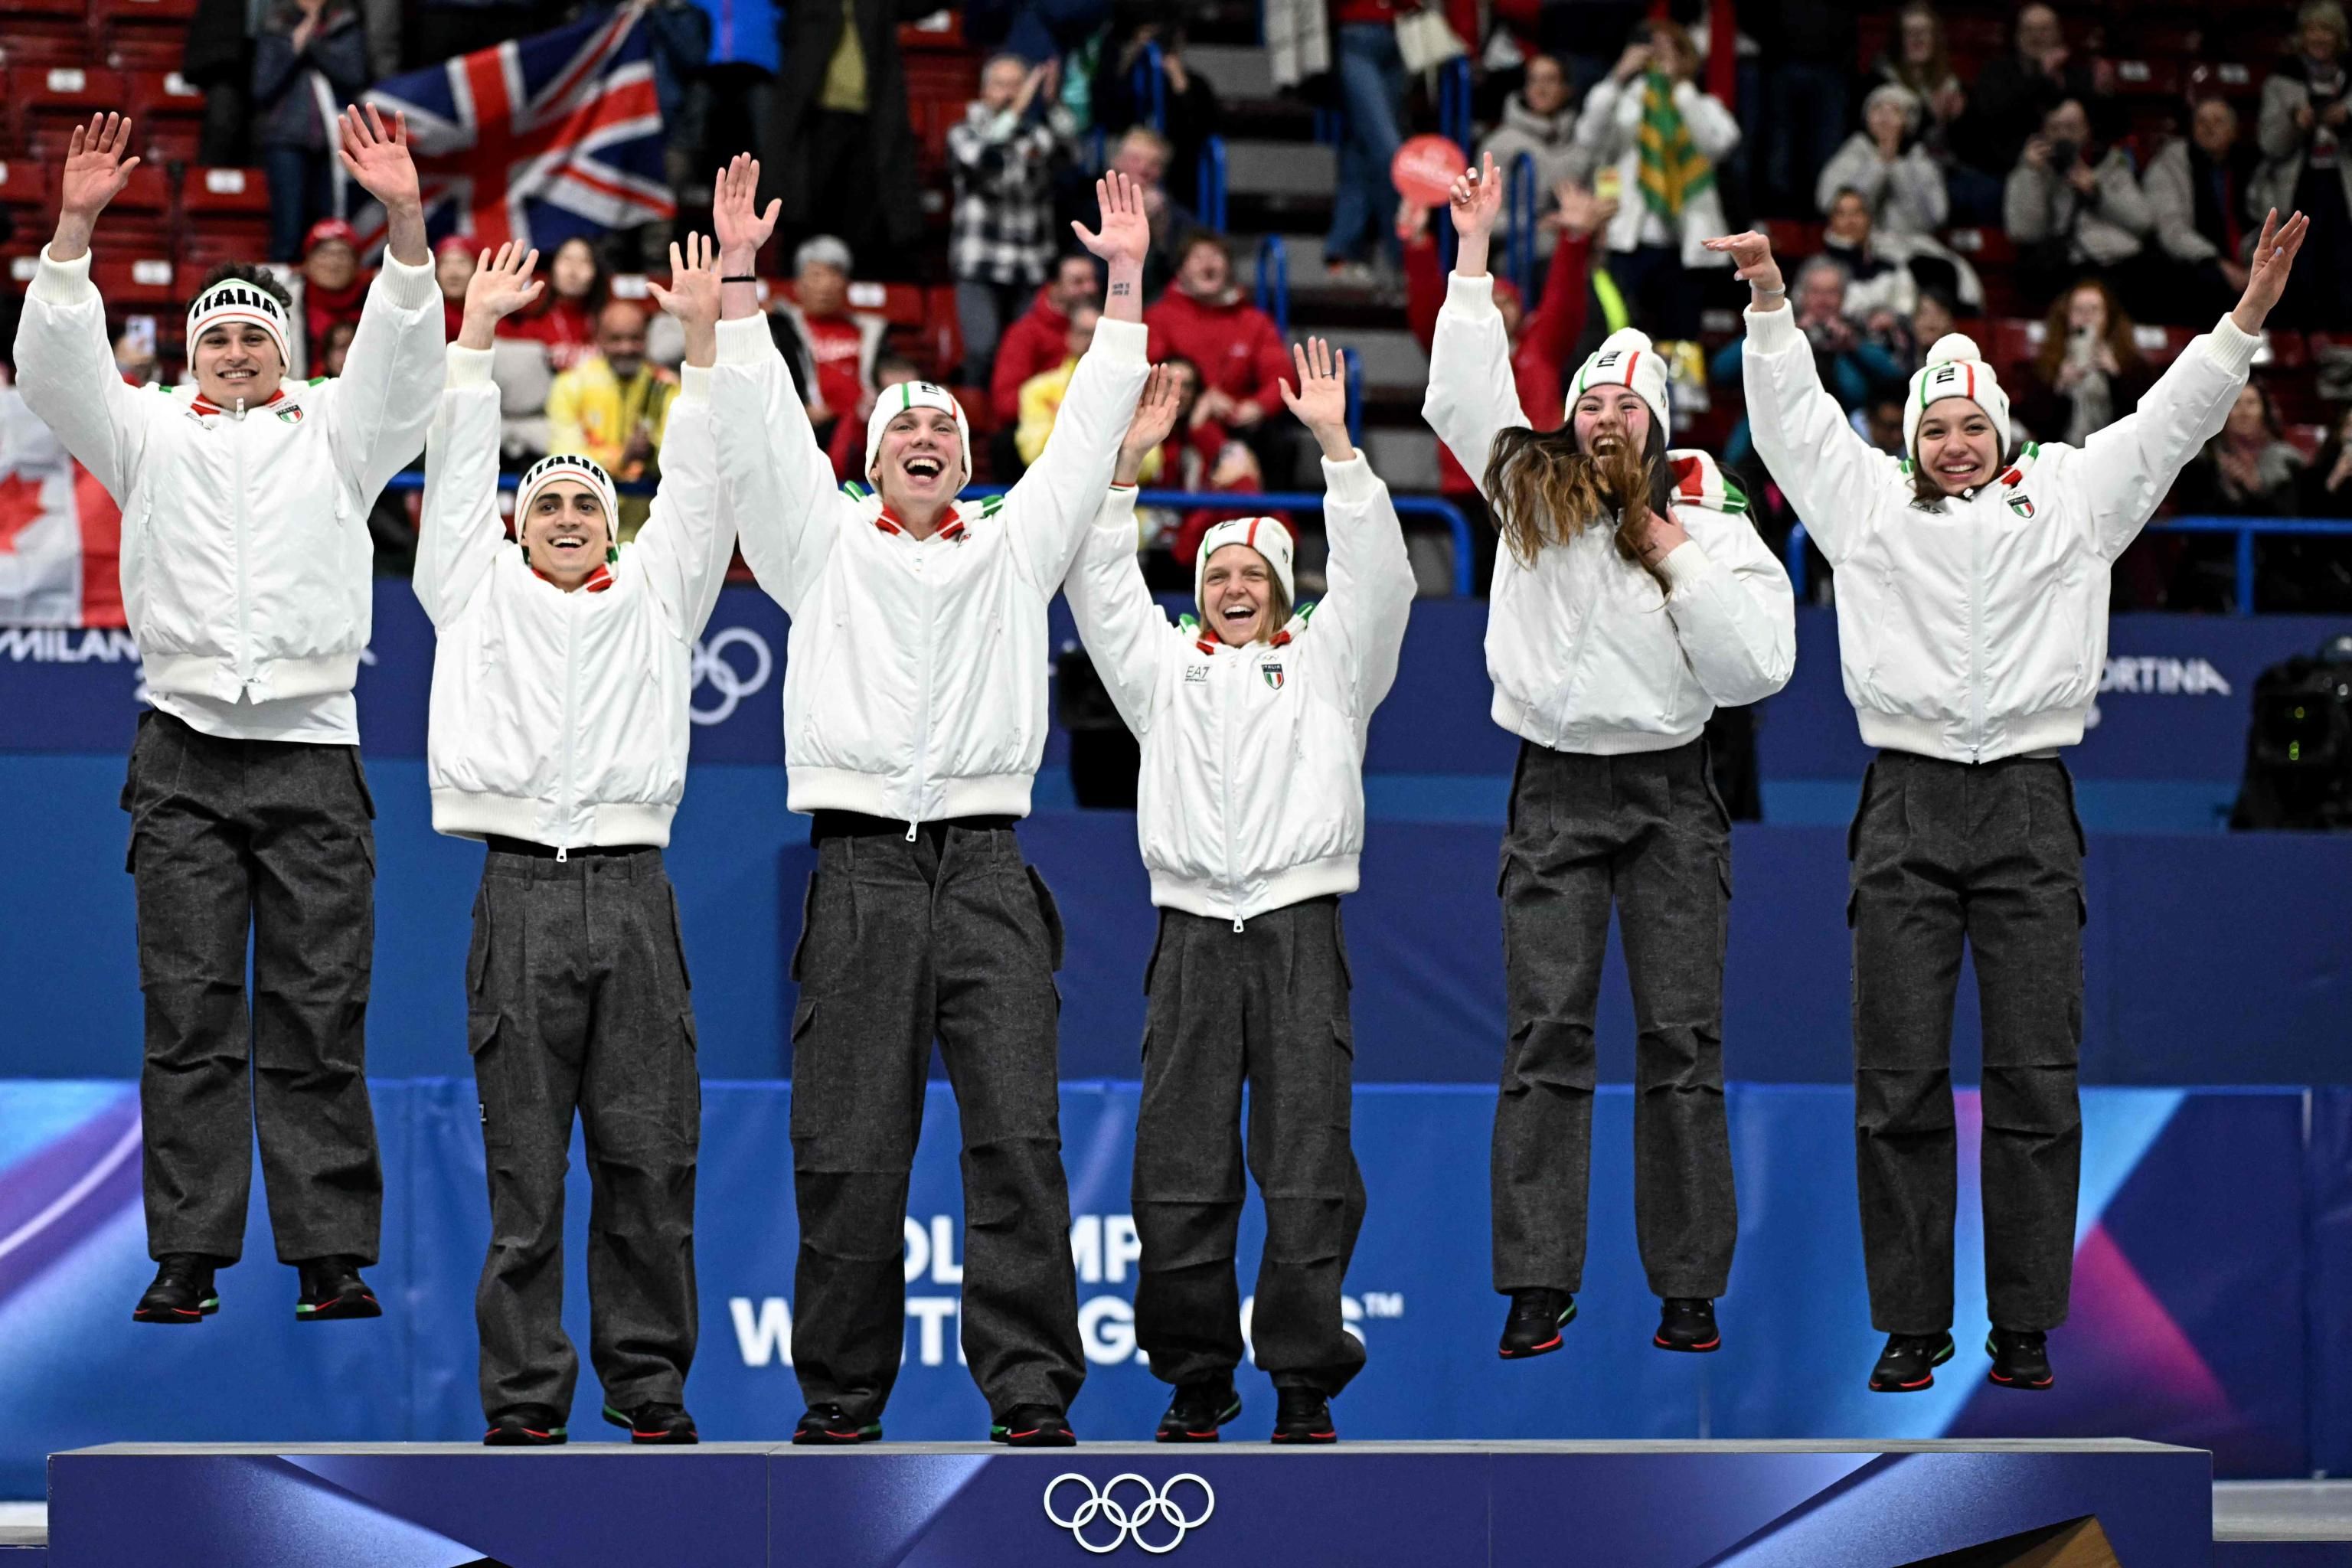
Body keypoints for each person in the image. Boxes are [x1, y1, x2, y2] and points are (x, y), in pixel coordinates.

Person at [1708, 206, 2306, 1394]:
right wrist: (1773, 307)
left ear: (2003, 426)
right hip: (1906, 805)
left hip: (2031, 799)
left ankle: (2024, 1323)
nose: (1955, 444)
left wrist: (2241, 325)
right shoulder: (1867, 505)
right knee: (1898, 1079)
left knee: (2037, 1075)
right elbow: (1790, 428)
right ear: (1914, 438)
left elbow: (2169, 425)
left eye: (1971, 424)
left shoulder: (2076, 495)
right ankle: (1913, 1322)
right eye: (1936, 428)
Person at [707, 155, 1151, 1448]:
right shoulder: (816, 543)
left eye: (945, 432)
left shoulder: (1018, 544)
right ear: (867, 453)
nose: (923, 442)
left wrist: (1123, 284)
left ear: (966, 459)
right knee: (848, 1151)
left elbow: (1082, 433)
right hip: (859, 873)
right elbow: (757, 424)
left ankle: (1029, 1397)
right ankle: (841, 1402)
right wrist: (740, 277)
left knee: (1018, 1143)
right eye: (903, 428)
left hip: (989, 871)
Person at [14, 107, 443, 1325]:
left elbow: (405, 362)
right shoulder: (143, 431)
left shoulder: (338, 433)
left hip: (311, 751)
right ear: (190, 357)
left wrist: (405, 225)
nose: (239, 352)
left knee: (318, 1014)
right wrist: (78, 226)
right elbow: (53, 367)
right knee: (190, 1012)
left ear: (288, 350)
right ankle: (188, 1255)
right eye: (220, 338)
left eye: (257, 334)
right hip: (185, 749)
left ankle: (328, 1259)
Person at [1425, 153, 1795, 1365]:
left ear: (1662, 425)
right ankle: (1537, 1284)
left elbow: (1757, 672)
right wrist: (1474, 258)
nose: (1604, 420)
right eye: (1591, 403)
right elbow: (1457, 392)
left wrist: (1667, 547)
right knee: (1546, 1034)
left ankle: (1688, 1287)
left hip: (1674, 795)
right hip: (1553, 785)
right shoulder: (1527, 486)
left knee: (1683, 1040)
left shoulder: (1713, 514)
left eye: (1627, 408)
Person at [419, 234, 741, 1449]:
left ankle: (649, 1393)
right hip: (518, 895)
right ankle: (523, 1407)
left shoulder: (661, 592)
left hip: (635, 892)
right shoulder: (472, 586)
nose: (563, 516)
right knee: (525, 1180)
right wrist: (475, 343)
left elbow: (703, 492)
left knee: (651, 1166)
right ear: (517, 524)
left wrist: (702, 351)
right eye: (545, 501)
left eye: (584, 504)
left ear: (615, 527)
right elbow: (453, 485)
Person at [1060, 344, 1413, 1446]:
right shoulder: (1162, 670)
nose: (1235, 589)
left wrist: (1340, 451)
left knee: (1308, 1164)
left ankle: (1303, 1381)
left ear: (1284, 585)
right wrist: (1126, 472)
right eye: (1217, 575)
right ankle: (1196, 1378)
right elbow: (1101, 587)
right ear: (1200, 588)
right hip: (1192, 934)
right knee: (1178, 1171)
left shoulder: (1331, 663)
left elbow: (1383, 579)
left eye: (1253, 574)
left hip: (1301, 926)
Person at [1572, 19, 1740, 339]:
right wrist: (1618, 76)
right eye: (1652, 49)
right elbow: (1588, 137)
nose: (1659, 57)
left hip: (1683, 245)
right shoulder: (1625, 104)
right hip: (1628, 240)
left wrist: (1680, 89)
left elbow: (1716, 146)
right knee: (1619, 335)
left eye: (1669, 49)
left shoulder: (1702, 104)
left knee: (1680, 342)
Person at [949, 54, 1073, 391]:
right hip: (980, 261)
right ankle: (969, 427)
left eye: (1018, 85)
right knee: (982, 350)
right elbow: (983, 160)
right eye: (1001, 85)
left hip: (1030, 264)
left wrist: (1051, 102)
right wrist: (1017, 110)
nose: (1010, 93)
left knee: (1027, 358)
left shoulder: (1037, 135)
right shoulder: (963, 133)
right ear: (984, 90)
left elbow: (1069, 149)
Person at [1145, 233, 1305, 488]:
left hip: (1238, 421)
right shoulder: (1159, 317)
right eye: (1198, 258)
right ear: (1180, 270)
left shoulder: (1253, 321)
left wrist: (1259, 406)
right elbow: (1152, 367)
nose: (1208, 265)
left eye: (1216, 257)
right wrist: (1202, 398)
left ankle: (1268, 521)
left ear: (1229, 267)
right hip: (1177, 421)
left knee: (1279, 443)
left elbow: (1280, 373)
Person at [2005, 97, 2156, 315]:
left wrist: (2098, 192)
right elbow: (2023, 232)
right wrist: (2031, 174)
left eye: (2071, 128)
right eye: (2054, 128)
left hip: (2113, 263)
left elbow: (2143, 222)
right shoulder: (2033, 169)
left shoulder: (2110, 163)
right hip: (2060, 267)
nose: (2063, 135)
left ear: (2087, 130)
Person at [546, 299, 681, 536]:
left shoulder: (666, 387)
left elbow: (681, 459)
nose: (626, 348)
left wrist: (651, 454)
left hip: (650, 531)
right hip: (585, 531)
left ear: (646, 338)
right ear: (598, 338)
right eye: (616, 339)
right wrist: (622, 458)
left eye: (635, 338)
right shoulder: (570, 385)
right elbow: (564, 458)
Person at [2255, 2, 2352, 328]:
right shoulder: (2281, 82)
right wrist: (2294, 124)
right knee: (2301, 275)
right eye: (2313, 30)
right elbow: (2269, 145)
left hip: (2344, 193)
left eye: (2327, 30)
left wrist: (2348, 120)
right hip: (2297, 191)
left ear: (2339, 37)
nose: (2319, 38)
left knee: (2343, 273)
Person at [250, 0, 371, 261]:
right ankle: (285, 295)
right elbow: (261, 88)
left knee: (332, 229)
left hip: (335, 141)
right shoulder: (275, 25)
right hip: (286, 138)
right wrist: (293, 51)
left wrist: (311, 46)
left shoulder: (344, 22)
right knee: (288, 230)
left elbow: (354, 75)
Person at [768, 235, 887, 460]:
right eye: (816, 275)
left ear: (846, 284)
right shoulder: (781, 330)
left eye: (834, 274)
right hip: (812, 429)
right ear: (798, 285)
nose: (826, 285)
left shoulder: (871, 330)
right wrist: (799, 408)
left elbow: (893, 374)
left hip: (868, 425)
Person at [1961, 2, 2109, 178]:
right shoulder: (1997, 71)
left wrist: (2105, 93)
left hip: (2073, 169)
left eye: (2044, 30)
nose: (2036, 37)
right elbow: (1993, 115)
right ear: (2017, 36)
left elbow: (2100, 124)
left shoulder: (2075, 72)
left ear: (2058, 35)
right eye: (2028, 30)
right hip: (2009, 170)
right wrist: (2042, 78)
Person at [2011, 279, 2154, 448]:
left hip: (2115, 452)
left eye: (2094, 309)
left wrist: (2117, 376)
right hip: (2063, 455)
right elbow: (2035, 423)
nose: (2086, 316)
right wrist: (2060, 385)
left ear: (2108, 317)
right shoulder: (2048, 362)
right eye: (2078, 310)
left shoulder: (2131, 363)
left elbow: (2142, 418)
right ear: (2067, 317)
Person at [1323, 0, 1408, 280]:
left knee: (1362, 148)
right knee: (1389, 152)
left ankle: (1342, 249)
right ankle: (1402, 257)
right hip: (1353, 32)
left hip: (1402, 32)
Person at [1477, 54, 1591, 259]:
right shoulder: (1499, 144)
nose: (1541, 89)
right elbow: (1480, 218)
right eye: (1534, 80)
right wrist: (1535, 223)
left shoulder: (1580, 142)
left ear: (1567, 89)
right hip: (1516, 265)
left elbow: (1594, 200)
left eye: (1550, 80)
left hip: (1572, 256)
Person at [1816, 86, 1948, 238]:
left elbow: (1935, 218)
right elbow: (1828, 203)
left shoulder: (1920, 163)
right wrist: (1878, 165)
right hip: (1857, 247)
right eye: (1877, 109)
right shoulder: (1850, 155)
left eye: (1895, 111)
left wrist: (1897, 169)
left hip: (1912, 246)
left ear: (1908, 122)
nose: (1885, 117)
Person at [991, 252, 1100, 424]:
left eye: (1092, 280)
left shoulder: (1105, 323)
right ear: (1054, 286)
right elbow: (1006, 403)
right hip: (1044, 427)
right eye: (1078, 282)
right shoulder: (1025, 333)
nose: (1090, 289)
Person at [498, 234, 607, 374]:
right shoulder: (529, 324)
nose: (573, 271)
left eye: (584, 261)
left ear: (596, 273)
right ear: (552, 269)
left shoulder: (610, 323)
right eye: (566, 259)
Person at [1013, 299, 1100, 466]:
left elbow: (1149, 463)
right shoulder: (1038, 390)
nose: (1091, 341)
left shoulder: (1125, 390)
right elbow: (1033, 452)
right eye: (1085, 333)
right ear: (1070, 336)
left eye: (1098, 334)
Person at [298, 217, 368, 368]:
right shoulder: (286, 306)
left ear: (357, 263)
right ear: (307, 263)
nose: (333, 264)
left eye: (342, 254)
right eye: (324, 254)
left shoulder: (377, 302)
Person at [433, 232, 476, 341]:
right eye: (445, 264)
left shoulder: (499, 319)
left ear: (476, 269)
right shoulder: (427, 320)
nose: (453, 273)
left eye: (461, 263)